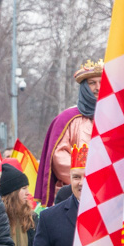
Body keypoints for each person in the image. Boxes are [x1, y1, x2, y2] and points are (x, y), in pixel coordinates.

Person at [36, 59, 103, 207]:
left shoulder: (117, 116)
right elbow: (59, 157)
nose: (98, 87)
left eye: (101, 82)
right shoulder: (68, 119)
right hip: (72, 196)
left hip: (109, 192)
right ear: (85, 87)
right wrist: (89, 176)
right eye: (92, 83)